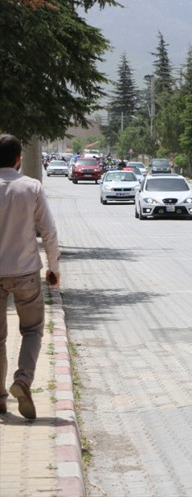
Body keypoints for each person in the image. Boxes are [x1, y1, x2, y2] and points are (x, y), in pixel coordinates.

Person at [0, 134, 61, 419]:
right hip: (25, 273)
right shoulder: (31, 187)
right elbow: (48, 231)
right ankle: (22, 380)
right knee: (33, 330)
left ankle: (0, 399)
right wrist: (53, 268)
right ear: (18, 159)